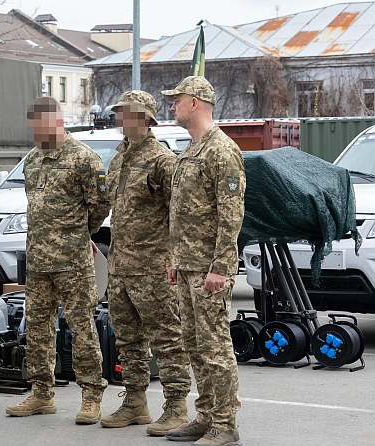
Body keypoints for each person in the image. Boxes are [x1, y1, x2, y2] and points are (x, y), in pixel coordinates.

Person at [5, 96, 109, 425]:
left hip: (72, 261)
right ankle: (41, 392)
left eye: (41, 128)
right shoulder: (33, 160)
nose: (37, 134)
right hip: (38, 260)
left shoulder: (84, 158)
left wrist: (80, 233)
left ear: (57, 122)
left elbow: (100, 204)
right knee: (37, 328)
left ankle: (91, 395)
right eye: (33, 129)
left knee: (81, 328)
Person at [98, 91, 191, 436]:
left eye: (126, 113)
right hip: (121, 266)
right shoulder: (120, 156)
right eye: (119, 113)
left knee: (166, 338)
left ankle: (177, 405)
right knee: (127, 339)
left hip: (153, 267)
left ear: (144, 119)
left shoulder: (161, 160)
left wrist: (175, 257)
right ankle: (135, 402)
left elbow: (180, 213)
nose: (120, 119)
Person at [162, 76, 245, 446]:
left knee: (215, 347)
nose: (172, 105)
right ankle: (206, 416)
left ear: (194, 102)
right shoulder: (191, 149)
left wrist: (221, 267)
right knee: (195, 345)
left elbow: (231, 215)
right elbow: (183, 213)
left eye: (177, 99)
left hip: (209, 268)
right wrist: (175, 259)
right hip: (188, 264)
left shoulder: (221, 150)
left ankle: (225, 424)